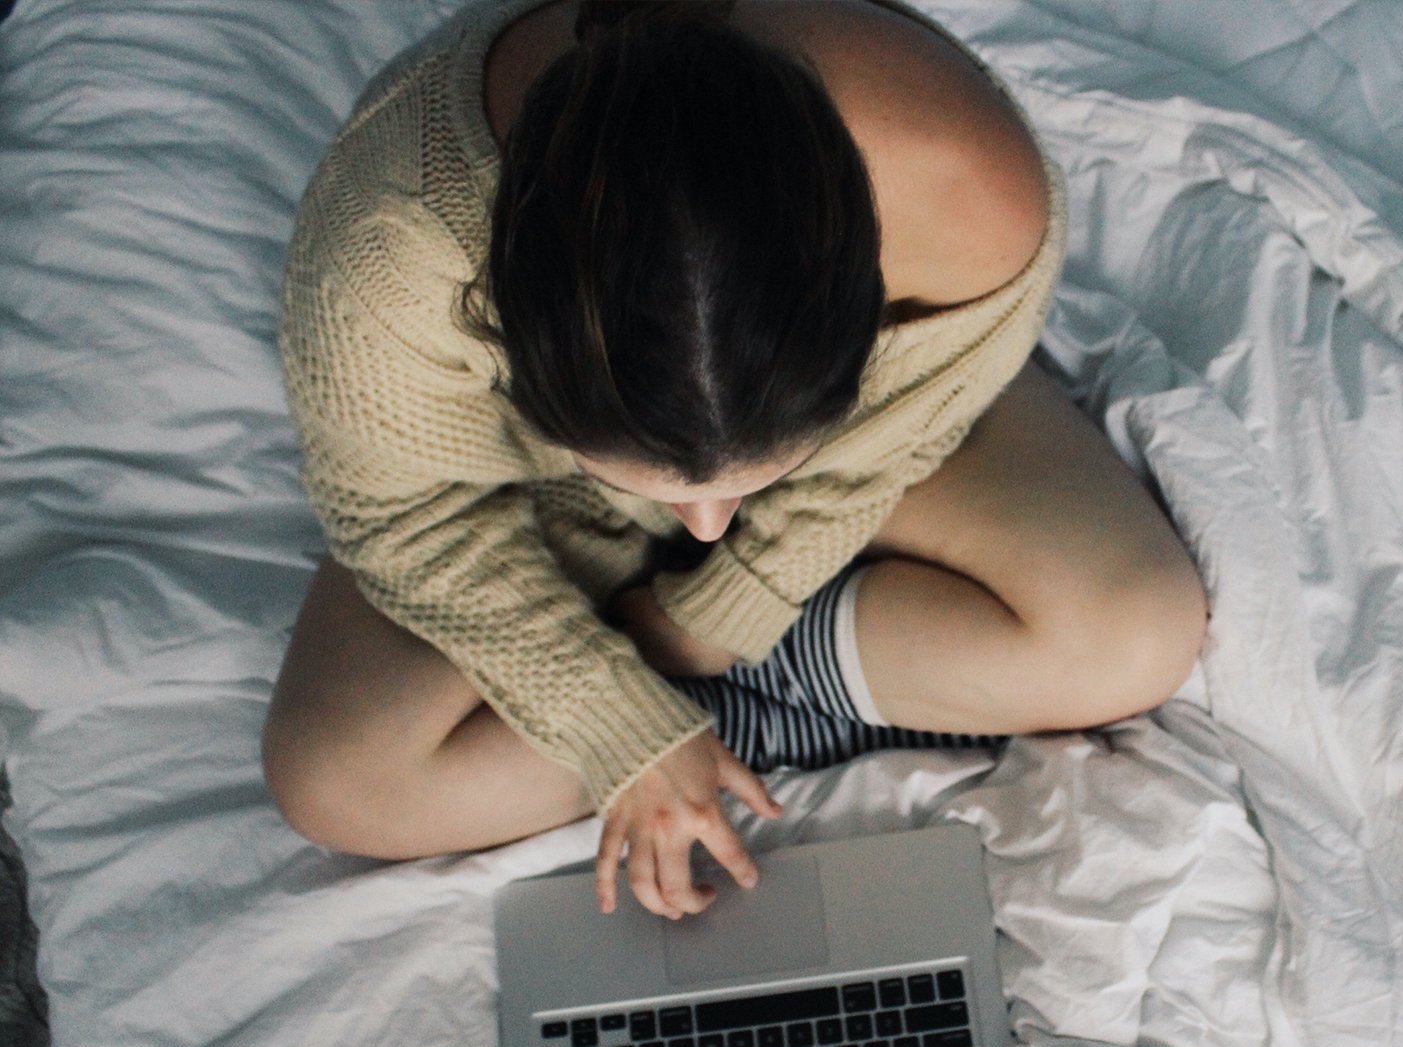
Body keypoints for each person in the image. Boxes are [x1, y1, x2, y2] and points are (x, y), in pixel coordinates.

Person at [264, 0, 1207, 921]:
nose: (712, 526)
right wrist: (622, 726)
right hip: (538, 507)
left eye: (742, 485)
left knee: (1137, 631)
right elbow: (405, 517)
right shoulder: (388, 259)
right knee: (335, 783)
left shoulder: (963, 180)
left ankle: (733, 684)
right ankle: (769, 702)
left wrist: (722, 613)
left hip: (869, 455)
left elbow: (908, 427)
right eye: (653, 482)